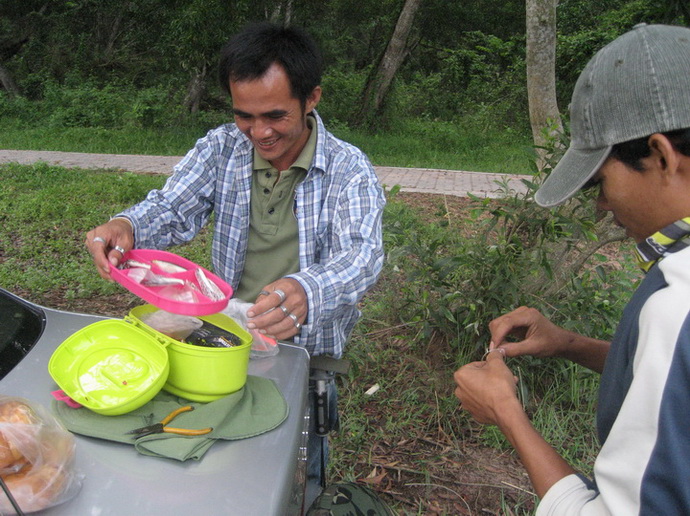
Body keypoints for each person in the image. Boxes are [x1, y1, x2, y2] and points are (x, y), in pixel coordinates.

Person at [85, 22, 386, 490]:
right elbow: (171, 206)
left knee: (296, 459)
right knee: (218, 454)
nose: (258, 132)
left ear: (312, 99)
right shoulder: (222, 149)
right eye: (244, 115)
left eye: (275, 116)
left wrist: (306, 290)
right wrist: (128, 226)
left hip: (304, 351)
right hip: (222, 334)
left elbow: (363, 255)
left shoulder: (348, 170)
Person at [453, 23, 690, 515]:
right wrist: (568, 345)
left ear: (662, 156)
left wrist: (506, 413)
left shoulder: (678, 306)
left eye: (602, 182)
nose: (602, 206)